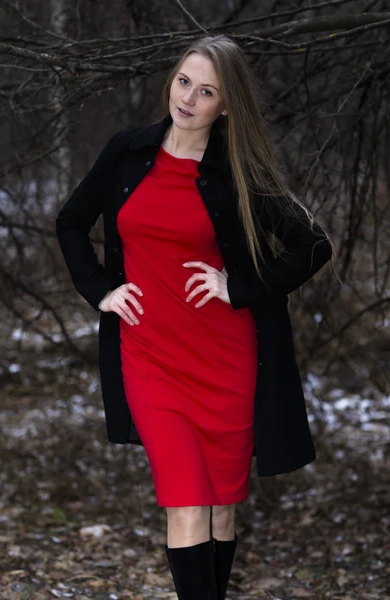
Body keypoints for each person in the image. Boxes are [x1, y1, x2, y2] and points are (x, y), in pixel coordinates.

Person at [55, 34, 334, 600]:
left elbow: (312, 243)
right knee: (186, 505)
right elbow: (70, 221)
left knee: (221, 511)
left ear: (225, 106)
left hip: (226, 359)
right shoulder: (127, 152)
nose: (188, 98)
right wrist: (99, 290)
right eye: (184, 81)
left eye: (206, 91)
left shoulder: (238, 172)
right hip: (149, 354)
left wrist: (242, 287)